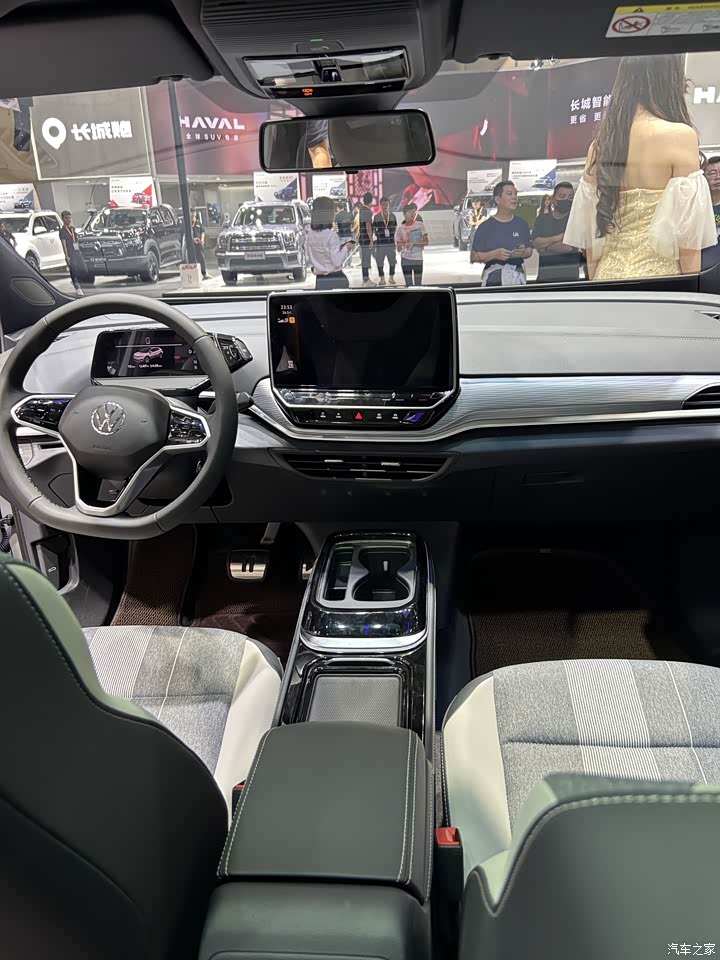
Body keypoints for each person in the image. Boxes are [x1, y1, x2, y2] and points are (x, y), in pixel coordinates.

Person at [564, 55, 716, 280]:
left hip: (607, 278)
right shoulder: (680, 136)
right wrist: (692, 290)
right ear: (669, 79)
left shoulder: (600, 146)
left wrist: (597, 285)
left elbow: (591, 243)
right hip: (660, 282)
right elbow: (687, 242)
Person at [470, 181, 532, 286]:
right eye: (509, 194)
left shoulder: (522, 224)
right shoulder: (485, 227)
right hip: (494, 280)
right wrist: (494, 254)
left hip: (517, 279)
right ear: (498, 199)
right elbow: (474, 256)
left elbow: (529, 251)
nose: (514, 197)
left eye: (515, 194)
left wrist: (522, 252)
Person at [531, 182, 583, 283]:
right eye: (562, 196)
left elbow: (568, 247)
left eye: (570, 197)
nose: (566, 200)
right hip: (545, 278)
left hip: (570, 279)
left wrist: (545, 247)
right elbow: (536, 243)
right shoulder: (542, 219)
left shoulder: (576, 221)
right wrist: (560, 237)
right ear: (553, 199)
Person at [304, 195, 355, 289]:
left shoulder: (309, 235)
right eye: (333, 210)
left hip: (320, 280)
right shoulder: (331, 235)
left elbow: (309, 259)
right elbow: (337, 262)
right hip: (336, 279)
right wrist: (346, 248)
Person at [395, 202, 428, 285]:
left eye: (414, 212)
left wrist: (413, 243)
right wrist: (401, 244)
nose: (412, 214)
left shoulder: (420, 225)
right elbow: (398, 249)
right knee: (408, 284)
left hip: (418, 259)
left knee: (418, 284)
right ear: (404, 214)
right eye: (410, 212)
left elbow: (426, 242)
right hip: (405, 259)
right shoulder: (400, 229)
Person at [59, 210, 85, 296]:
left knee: (83, 268)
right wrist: (66, 256)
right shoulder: (62, 231)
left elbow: (76, 241)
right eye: (66, 218)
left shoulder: (72, 229)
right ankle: (77, 286)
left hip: (77, 252)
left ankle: (78, 282)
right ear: (63, 219)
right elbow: (64, 245)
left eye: (69, 218)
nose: (68, 220)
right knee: (73, 269)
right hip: (70, 252)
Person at [372, 196, 397, 286]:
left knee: (392, 260)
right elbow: (374, 229)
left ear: (389, 205)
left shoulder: (392, 216)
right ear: (380, 205)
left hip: (390, 243)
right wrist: (380, 235)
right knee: (379, 261)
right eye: (383, 204)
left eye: (386, 204)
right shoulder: (377, 217)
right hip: (380, 243)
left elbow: (395, 227)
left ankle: (391, 277)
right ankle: (382, 278)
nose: (385, 205)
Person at [701, 155, 720, 270]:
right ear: (703, 178)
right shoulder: (697, 207)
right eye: (712, 173)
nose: (718, 177)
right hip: (703, 267)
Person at [358, 191, 375, 286]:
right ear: (371, 201)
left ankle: (365, 279)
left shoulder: (361, 209)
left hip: (362, 238)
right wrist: (371, 240)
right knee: (366, 260)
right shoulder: (367, 211)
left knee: (365, 259)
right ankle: (366, 280)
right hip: (366, 239)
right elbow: (368, 226)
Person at [191, 210, 209, 280]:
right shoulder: (188, 224)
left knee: (201, 258)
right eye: (192, 213)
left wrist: (202, 239)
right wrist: (193, 239)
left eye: (194, 213)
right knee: (193, 259)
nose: (193, 215)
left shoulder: (198, 223)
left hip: (199, 243)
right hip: (192, 244)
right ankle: (195, 275)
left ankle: (204, 273)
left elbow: (202, 231)